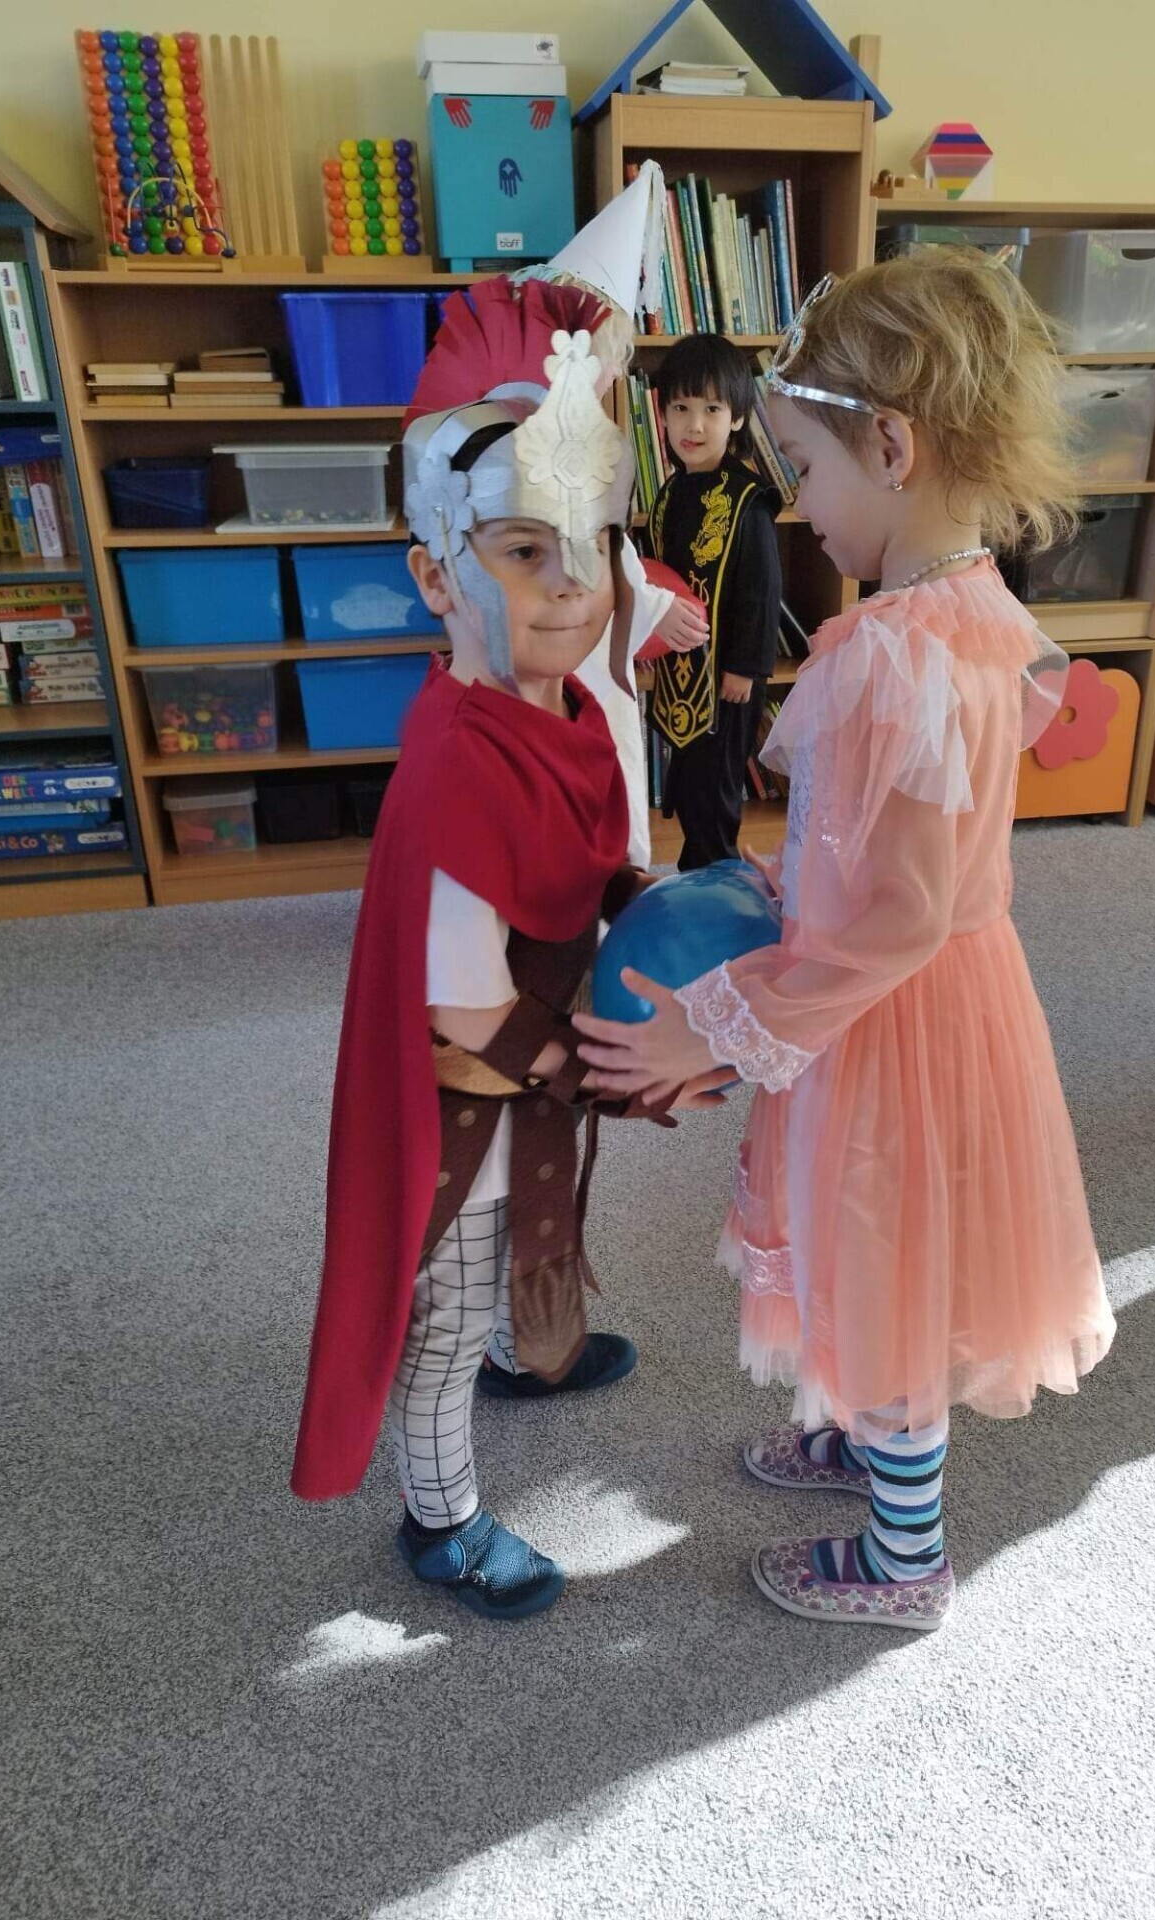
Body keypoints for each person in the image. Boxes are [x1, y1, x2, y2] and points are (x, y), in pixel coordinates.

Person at [575, 252, 1116, 1631]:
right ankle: (864, 1433)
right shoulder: (979, 613)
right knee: (876, 1234)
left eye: (806, 470)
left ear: (892, 446)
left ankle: (902, 1555)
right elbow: (902, 838)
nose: (799, 506)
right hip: (940, 995)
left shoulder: (889, 649)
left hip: (888, 1011)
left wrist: (718, 1019)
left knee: (877, 1251)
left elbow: (903, 910)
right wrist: (785, 878)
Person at [290, 297, 722, 1624]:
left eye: (592, 543)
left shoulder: (567, 711)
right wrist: (607, 1073)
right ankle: (442, 1520)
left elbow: (587, 869)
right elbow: (468, 1002)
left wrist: (668, 911)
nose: (573, 582)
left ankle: (525, 1350)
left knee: (530, 1230)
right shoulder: (456, 769)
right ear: (438, 574)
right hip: (468, 1091)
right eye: (526, 551)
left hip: (531, 1055)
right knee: (443, 1303)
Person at [403, 162, 709, 870]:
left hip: (576, 666)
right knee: (546, 794)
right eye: (601, 363)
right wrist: (653, 606)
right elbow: (586, 557)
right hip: (547, 657)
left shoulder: (568, 454)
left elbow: (605, 552)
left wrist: (645, 599)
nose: (607, 379)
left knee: (584, 785)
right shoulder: (515, 456)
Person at [644, 332, 782, 869]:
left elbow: (760, 590)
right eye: (680, 408)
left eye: (712, 409)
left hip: (730, 677)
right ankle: (695, 864)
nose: (694, 425)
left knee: (716, 784)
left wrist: (746, 667)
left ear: (738, 417)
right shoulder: (669, 494)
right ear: (662, 414)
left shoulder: (748, 500)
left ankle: (715, 871)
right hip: (685, 669)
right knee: (688, 773)